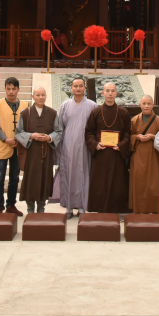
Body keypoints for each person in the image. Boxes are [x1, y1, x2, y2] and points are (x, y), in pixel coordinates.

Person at [84, 81, 131, 213]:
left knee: (118, 183)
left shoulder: (123, 112)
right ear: (102, 93)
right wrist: (95, 144)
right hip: (101, 154)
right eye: (107, 91)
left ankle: (117, 209)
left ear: (116, 93)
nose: (110, 93)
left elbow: (128, 133)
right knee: (100, 184)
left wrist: (122, 145)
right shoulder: (96, 112)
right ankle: (99, 209)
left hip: (117, 154)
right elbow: (89, 132)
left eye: (112, 91)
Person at [16, 85, 63, 214]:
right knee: (31, 179)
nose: (40, 97)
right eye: (38, 95)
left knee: (45, 178)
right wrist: (31, 136)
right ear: (33, 96)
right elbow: (18, 132)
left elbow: (58, 131)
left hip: (46, 153)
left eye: (43, 95)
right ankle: (30, 208)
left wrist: (49, 137)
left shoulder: (53, 113)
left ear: (46, 96)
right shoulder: (26, 113)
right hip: (31, 153)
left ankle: (41, 208)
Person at [55, 74, 97, 218]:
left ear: (85, 88)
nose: (78, 88)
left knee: (84, 173)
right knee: (68, 173)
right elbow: (59, 127)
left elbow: (95, 128)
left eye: (81, 86)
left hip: (85, 145)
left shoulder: (92, 105)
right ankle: (68, 207)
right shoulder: (65, 105)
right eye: (75, 86)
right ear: (71, 88)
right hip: (68, 144)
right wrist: (59, 148)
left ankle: (81, 207)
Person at [0, 77, 28, 214]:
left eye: (14, 89)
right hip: (3, 145)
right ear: (5, 89)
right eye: (8, 89)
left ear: (18, 89)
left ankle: (11, 205)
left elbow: (26, 126)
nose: (11, 91)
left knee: (14, 177)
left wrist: (20, 139)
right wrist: (5, 139)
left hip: (18, 147)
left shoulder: (25, 106)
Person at [128, 95, 159, 214]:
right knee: (139, 182)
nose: (146, 106)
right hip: (138, 155)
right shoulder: (135, 120)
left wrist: (154, 137)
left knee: (154, 183)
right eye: (144, 103)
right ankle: (138, 210)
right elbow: (129, 137)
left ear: (153, 105)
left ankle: (153, 210)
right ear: (140, 105)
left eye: (149, 103)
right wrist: (137, 137)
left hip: (153, 155)